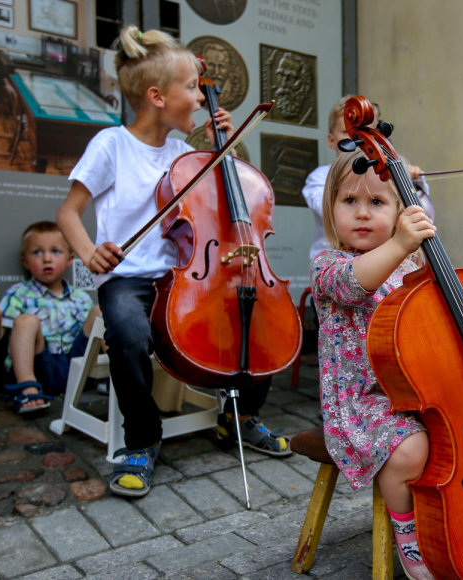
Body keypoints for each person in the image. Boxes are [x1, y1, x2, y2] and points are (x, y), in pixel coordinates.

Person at [57, 26, 292, 499]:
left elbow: (215, 211)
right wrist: (88, 252)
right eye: (191, 88)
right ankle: (142, 441)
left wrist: (222, 145)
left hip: (181, 275)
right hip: (126, 279)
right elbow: (68, 213)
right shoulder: (111, 146)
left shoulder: (185, 155)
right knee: (128, 332)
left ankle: (240, 417)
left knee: (257, 312)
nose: (201, 98)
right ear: (156, 96)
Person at [310, 149, 436, 580]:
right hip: (361, 404)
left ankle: (459, 518)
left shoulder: (412, 266)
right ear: (331, 209)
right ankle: (410, 540)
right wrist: (401, 242)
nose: (362, 214)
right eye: (349, 202)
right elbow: (354, 284)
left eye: (377, 203)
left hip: (413, 392)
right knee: (411, 449)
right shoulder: (328, 266)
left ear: (399, 210)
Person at [0, 221, 97, 414]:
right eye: (37, 253)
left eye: (55, 251)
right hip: (38, 365)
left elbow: (89, 338)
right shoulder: (18, 293)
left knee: (100, 312)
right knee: (26, 320)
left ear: (70, 259)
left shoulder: (80, 298)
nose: (47, 259)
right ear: (25, 262)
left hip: (75, 365)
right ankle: (27, 388)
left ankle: (121, 379)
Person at [302, 95, 434, 260]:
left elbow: (423, 211)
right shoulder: (320, 177)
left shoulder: (385, 174)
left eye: (376, 201)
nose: (356, 139)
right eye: (350, 200)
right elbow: (324, 206)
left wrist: (405, 179)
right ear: (331, 140)